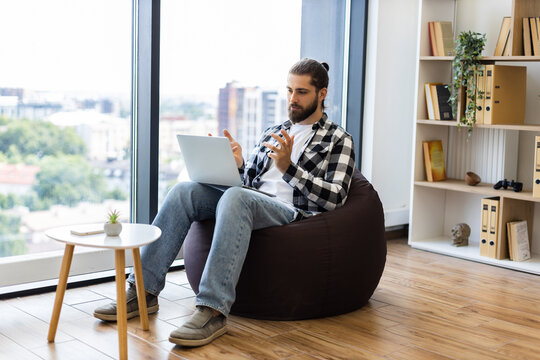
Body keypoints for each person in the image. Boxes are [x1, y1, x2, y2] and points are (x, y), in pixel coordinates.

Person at [94, 58, 356, 347]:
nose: (292, 99)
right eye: (289, 90)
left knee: (236, 197)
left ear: (322, 94)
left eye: (302, 92)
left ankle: (212, 311)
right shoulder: (273, 131)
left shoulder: (337, 140)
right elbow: (248, 185)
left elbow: (335, 198)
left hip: (292, 213)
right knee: (185, 191)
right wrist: (238, 164)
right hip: (250, 201)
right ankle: (142, 293)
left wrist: (288, 168)